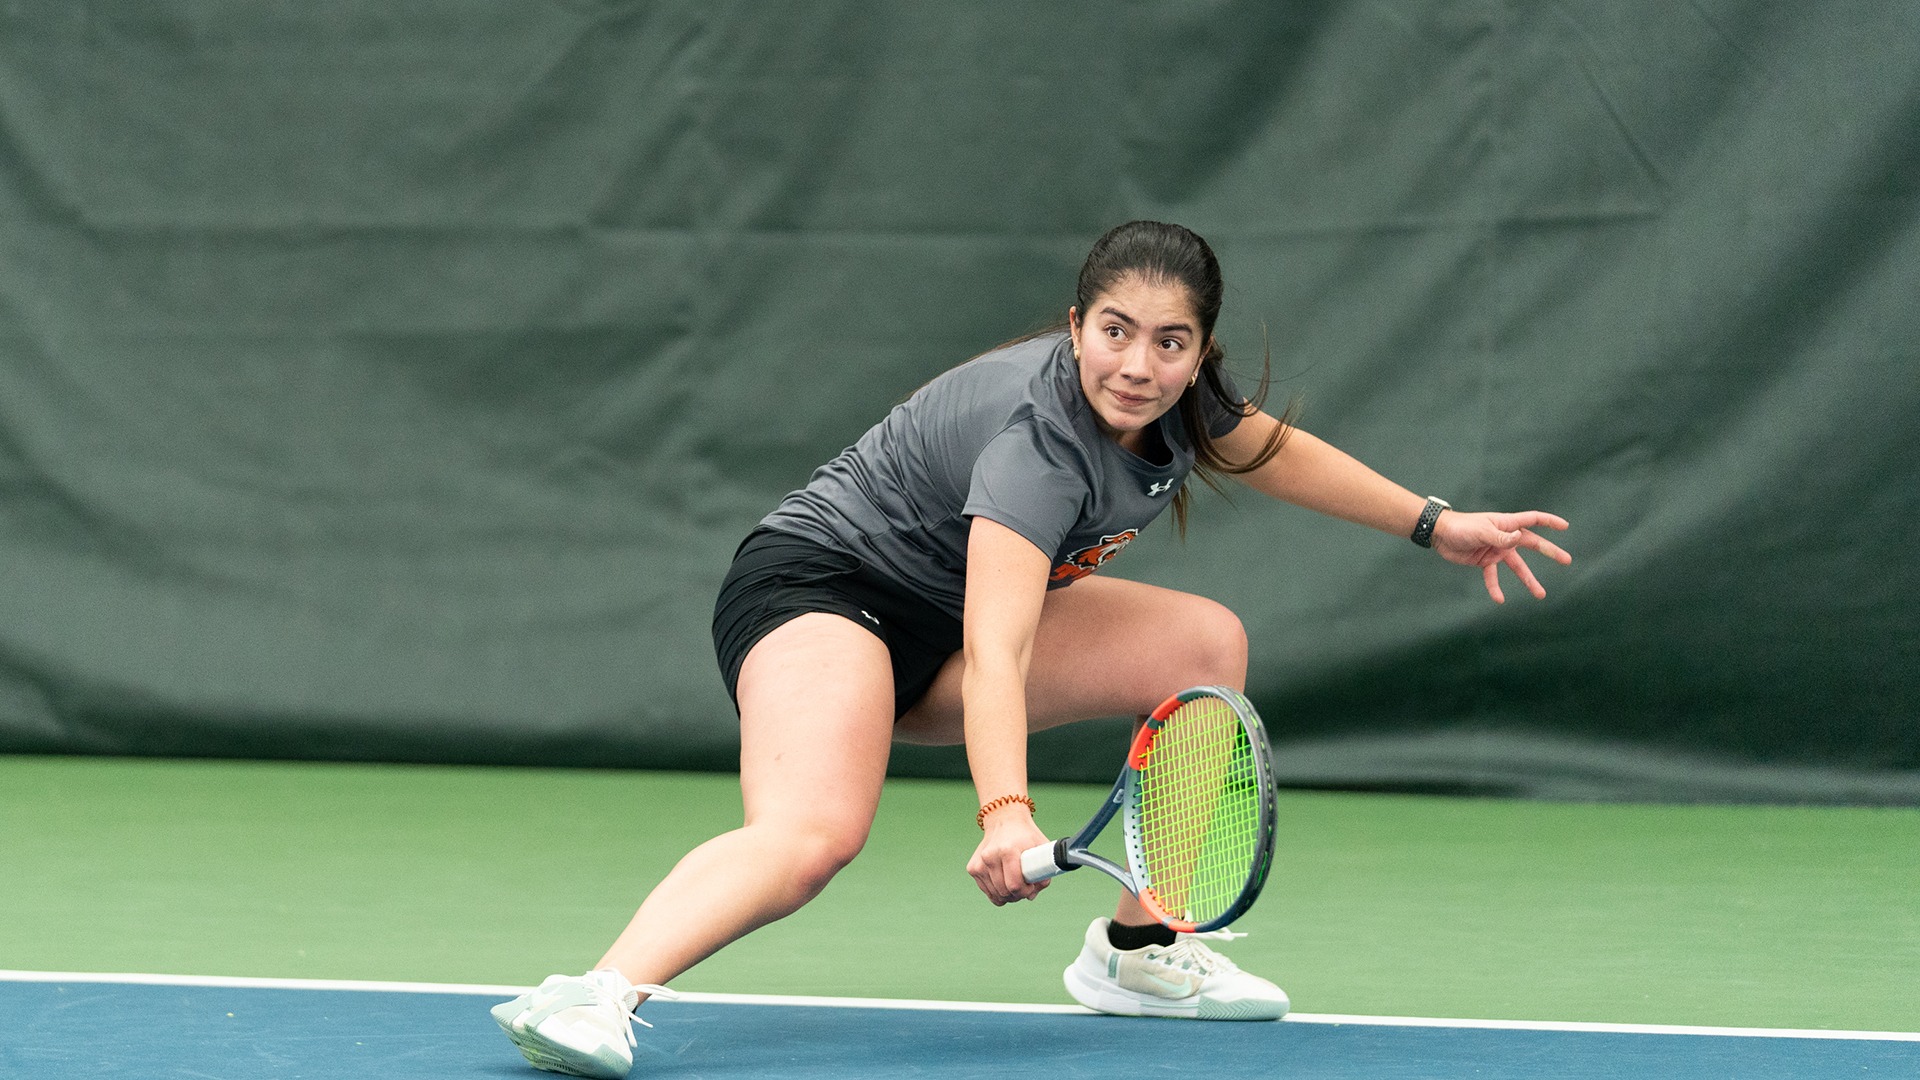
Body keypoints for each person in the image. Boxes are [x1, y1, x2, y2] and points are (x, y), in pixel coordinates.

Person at [492, 221, 1572, 1078]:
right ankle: (594, 993)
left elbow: (1273, 453)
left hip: (944, 627)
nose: (1138, 365)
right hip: (825, 595)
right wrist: (1004, 812)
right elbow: (998, 650)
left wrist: (1434, 524)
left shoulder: (1184, 408)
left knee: (1203, 642)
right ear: (1075, 325)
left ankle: (1140, 956)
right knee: (814, 834)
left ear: (1201, 352)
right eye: (1114, 331)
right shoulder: (1037, 451)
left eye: (1169, 342)